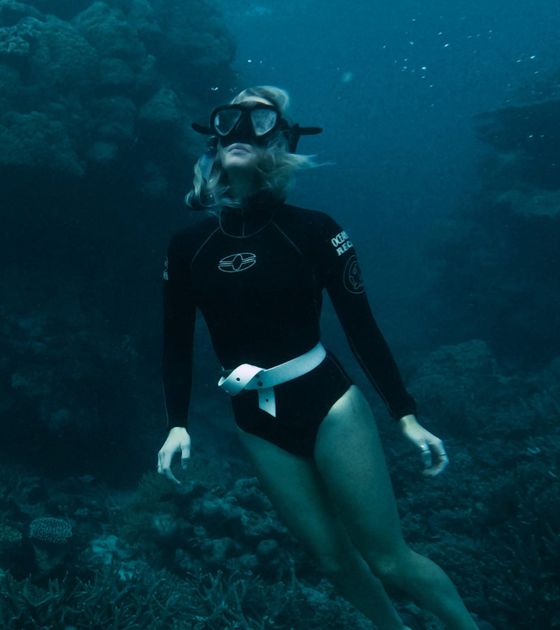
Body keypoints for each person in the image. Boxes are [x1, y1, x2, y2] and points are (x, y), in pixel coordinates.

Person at [156, 86, 479, 630]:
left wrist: (404, 414)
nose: (240, 131)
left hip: (329, 405)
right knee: (333, 562)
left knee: (389, 561)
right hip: (255, 418)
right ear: (214, 140)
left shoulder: (316, 230)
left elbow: (361, 327)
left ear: (281, 142)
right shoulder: (187, 245)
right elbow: (175, 341)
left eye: (259, 120)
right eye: (229, 119)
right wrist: (177, 424)